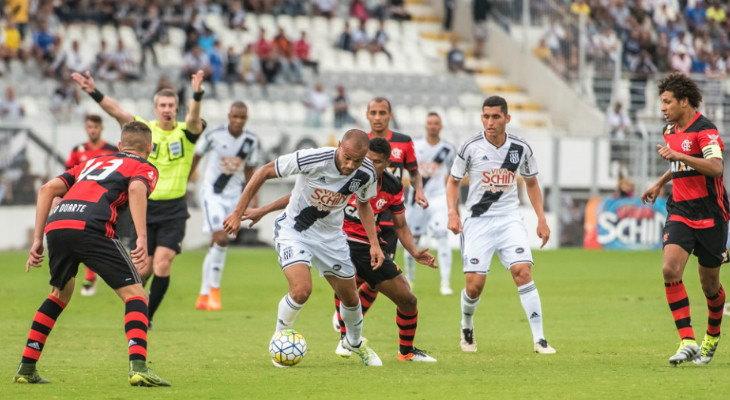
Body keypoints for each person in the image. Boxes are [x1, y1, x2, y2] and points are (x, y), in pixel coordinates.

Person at [246, 138, 438, 362]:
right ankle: (336, 338)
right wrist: (263, 209)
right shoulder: (342, 169)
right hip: (334, 237)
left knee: (403, 297)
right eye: (367, 160)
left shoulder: (389, 185)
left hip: (362, 243)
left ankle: (392, 349)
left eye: (376, 162)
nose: (367, 165)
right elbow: (302, 196)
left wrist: (409, 251)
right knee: (315, 289)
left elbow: (398, 223)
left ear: (388, 164)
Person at [13, 121, 170, 386]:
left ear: (120, 146)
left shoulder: (93, 162)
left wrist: (37, 239)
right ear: (150, 148)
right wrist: (142, 237)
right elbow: (135, 189)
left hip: (58, 224)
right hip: (92, 226)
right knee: (137, 295)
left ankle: (26, 368)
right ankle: (139, 367)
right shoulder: (143, 166)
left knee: (59, 295)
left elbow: (47, 189)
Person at [222, 130, 384, 367]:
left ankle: (355, 342)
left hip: (331, 238)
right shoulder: (313, 159)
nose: (350, 165)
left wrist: (375, 244)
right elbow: (264, 171)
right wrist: (238, 212)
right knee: (301, 290)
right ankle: (279, 341)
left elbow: (363, 204)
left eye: (356, 160)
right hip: (295, 232)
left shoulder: (367, 172)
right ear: (339, 146)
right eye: (347, 157)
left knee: (350, 297)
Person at [71, 69, 206, 327]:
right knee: (142, 269)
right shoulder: (146, 130)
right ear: (155, 108)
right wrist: (94, 92)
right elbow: (117, 112)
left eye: (171, 105)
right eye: (163, 105)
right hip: (144, 208)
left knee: (163, 264)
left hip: (174, 210)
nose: (167, 109)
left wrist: (197, 95)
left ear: (178, 108)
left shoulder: (185, 132)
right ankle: (137, 303)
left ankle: (147, 318)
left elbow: (194, 119)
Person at [446, 96, 556, 354]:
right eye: (485, 116)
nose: (490, 122)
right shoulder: (470, 146)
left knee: (523, 272)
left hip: (509, 219)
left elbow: (531, 182)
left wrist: (541, 219)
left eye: (496, 117)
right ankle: (467, 324)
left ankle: (540, 339)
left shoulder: (520, 147)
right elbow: (452, 181)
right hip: (477, 221)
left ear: (507, 118)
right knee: (474, 286)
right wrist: (453, 212)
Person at [641, 72, 729, 365]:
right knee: (669, 269)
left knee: (710, 286)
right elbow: (676, 160)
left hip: (711, 215)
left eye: (667, 102)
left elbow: (716, 168)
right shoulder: (670, 130)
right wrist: (659, 183)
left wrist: (679, 154)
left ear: (684, 101)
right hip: (680, 210)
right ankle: (687, 339)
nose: (663, 107)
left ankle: (711, 338)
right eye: (662, 102)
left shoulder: (706, 131)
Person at [190, 102, 259, 311]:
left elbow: (250, 171)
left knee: (216, 244)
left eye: (242, 118)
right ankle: (215, 293)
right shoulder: (214, 135)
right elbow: (196, 156)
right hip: (212, 193)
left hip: (234, 197)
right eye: (235, 116)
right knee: (220, 238)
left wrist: (252, 198)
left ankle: (202, 295)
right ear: (229, 116)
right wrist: (185, 182)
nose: (238, 121)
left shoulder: (251, 140)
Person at [64, 114, 118, 296]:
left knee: (104, 238)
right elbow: (69, 174)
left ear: (101, 128)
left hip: (107, 200)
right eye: (89, 127)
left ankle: (100, 273)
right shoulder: (78, 150)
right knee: (88, 234)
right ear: (86, 129)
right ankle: (91, 276)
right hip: (83, 200)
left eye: (95, 127)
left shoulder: (111, 150)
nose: (92, 130)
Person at [403, 112, 457, 295]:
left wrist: (453, 205)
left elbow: (453, 177)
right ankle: (409, 280)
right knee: (412, 240)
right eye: (430, 123)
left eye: (436, 123)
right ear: (426, 126)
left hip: (439, 198)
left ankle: (445, 282)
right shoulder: (415, 146)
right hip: (417, 197)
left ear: (440, 126)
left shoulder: (448, 149)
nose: (433, 126)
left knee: (442, 237)